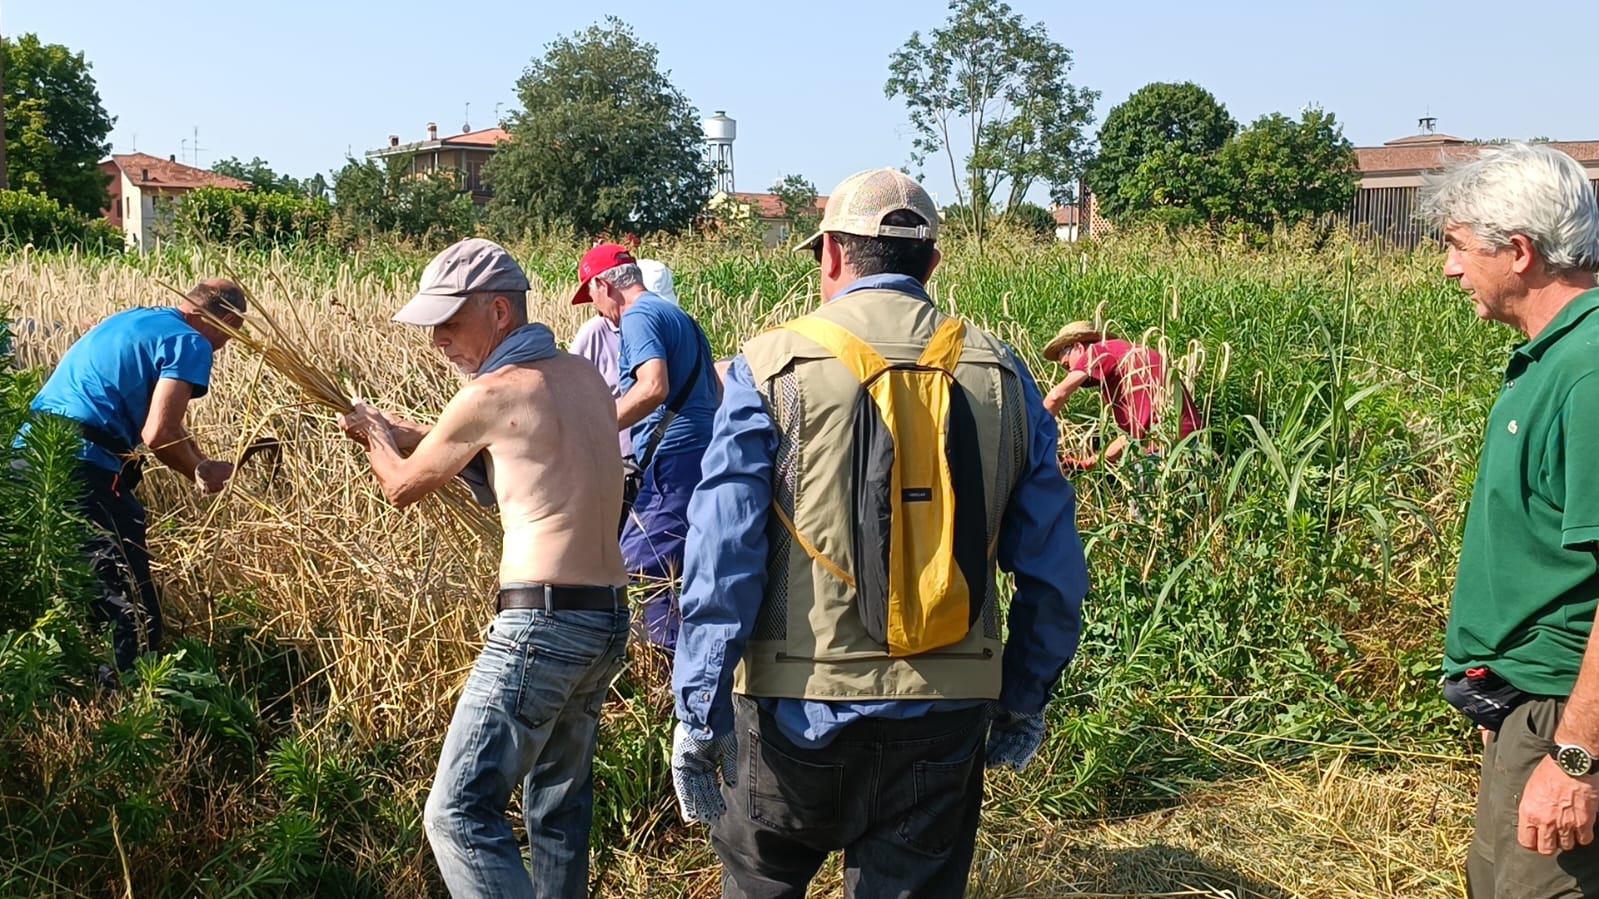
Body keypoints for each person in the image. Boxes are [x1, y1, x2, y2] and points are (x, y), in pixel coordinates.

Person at [668, 168, 1088, 898]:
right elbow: (1053, 571)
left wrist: (698, 710)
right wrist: (1022, 695)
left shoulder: (768, 367)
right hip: (946, 706)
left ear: (830, 253)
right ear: (932, 263)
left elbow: (721, 555)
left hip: (792, 708)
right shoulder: (1002, 372)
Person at [338, 238, 630, 899]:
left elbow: (403, 485)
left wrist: (372, 432)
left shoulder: (492, 391)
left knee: (458, 813)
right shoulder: (579, 375)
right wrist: (402, 428)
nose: (437, 339)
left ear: (499, 312)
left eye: (448, 321)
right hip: (606, 619)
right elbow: (510, 453)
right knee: (557, 810)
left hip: (543, 626)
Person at [1421, 142, 1599, 898]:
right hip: (1526, 704)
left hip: (1568, 715)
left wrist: (1576, 753)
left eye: (1458, 247)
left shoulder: (1588, 370)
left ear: (1518, 251)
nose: (1449, 269)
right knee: (1493, 881)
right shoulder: (1546, 358)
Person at [19, 279, 244, 678]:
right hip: (80, 465)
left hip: (31, 452)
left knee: (52, 586)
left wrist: (197, 460)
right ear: (225, 320)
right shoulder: (190, 341)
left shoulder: (140, 318)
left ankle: (69, 691)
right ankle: (129, 701)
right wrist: (199, 469)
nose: (222, 347)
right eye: (230, 335)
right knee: (131, 604)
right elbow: (159, 433)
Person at [571, 244, 717, 652]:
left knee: (641, 562)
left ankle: (665, 669)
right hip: (696, 457)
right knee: (680, 567)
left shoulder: (638, 316)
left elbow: (654, 386)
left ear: (604, 286)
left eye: (593, 296)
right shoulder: (678, 316)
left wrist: (594, 428)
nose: (596, 309)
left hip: (674, 459)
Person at [1041, 321, 1203, 468]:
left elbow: (1057, 395)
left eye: (1067, 365)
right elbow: (1129, 439)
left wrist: (1033, 436)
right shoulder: (1125, 362)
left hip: (1160, 452)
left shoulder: (1098, 351)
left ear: (1078, 347)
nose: (1069, 371)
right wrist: (1086, 464)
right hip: (1188, 446)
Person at [567, 258, 680, 458]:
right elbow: (569, 393)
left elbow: (654, 387)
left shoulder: (654, 320)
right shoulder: (595, 332)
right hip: (621, 456)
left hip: (665, 450)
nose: (595, 306)